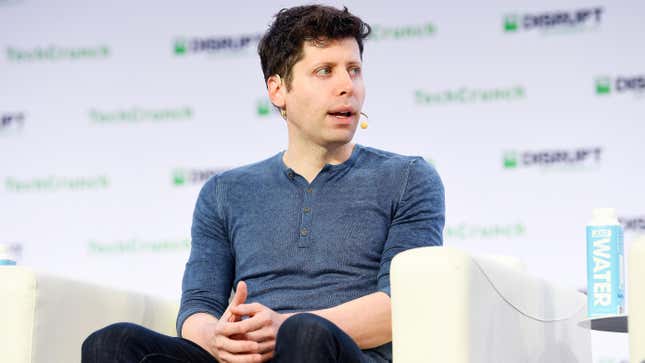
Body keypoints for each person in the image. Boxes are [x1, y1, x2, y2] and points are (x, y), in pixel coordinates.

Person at [82, 4, 444, 363]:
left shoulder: (408, 178)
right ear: (277, 89)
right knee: (111, 344)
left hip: (339, 353)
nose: (346, 86)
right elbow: (197, 309)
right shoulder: (225, 192)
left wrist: (283, 326)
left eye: (354, 70)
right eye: (324, 71)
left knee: (304, 334)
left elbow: (402, 305)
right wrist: (221, 338)